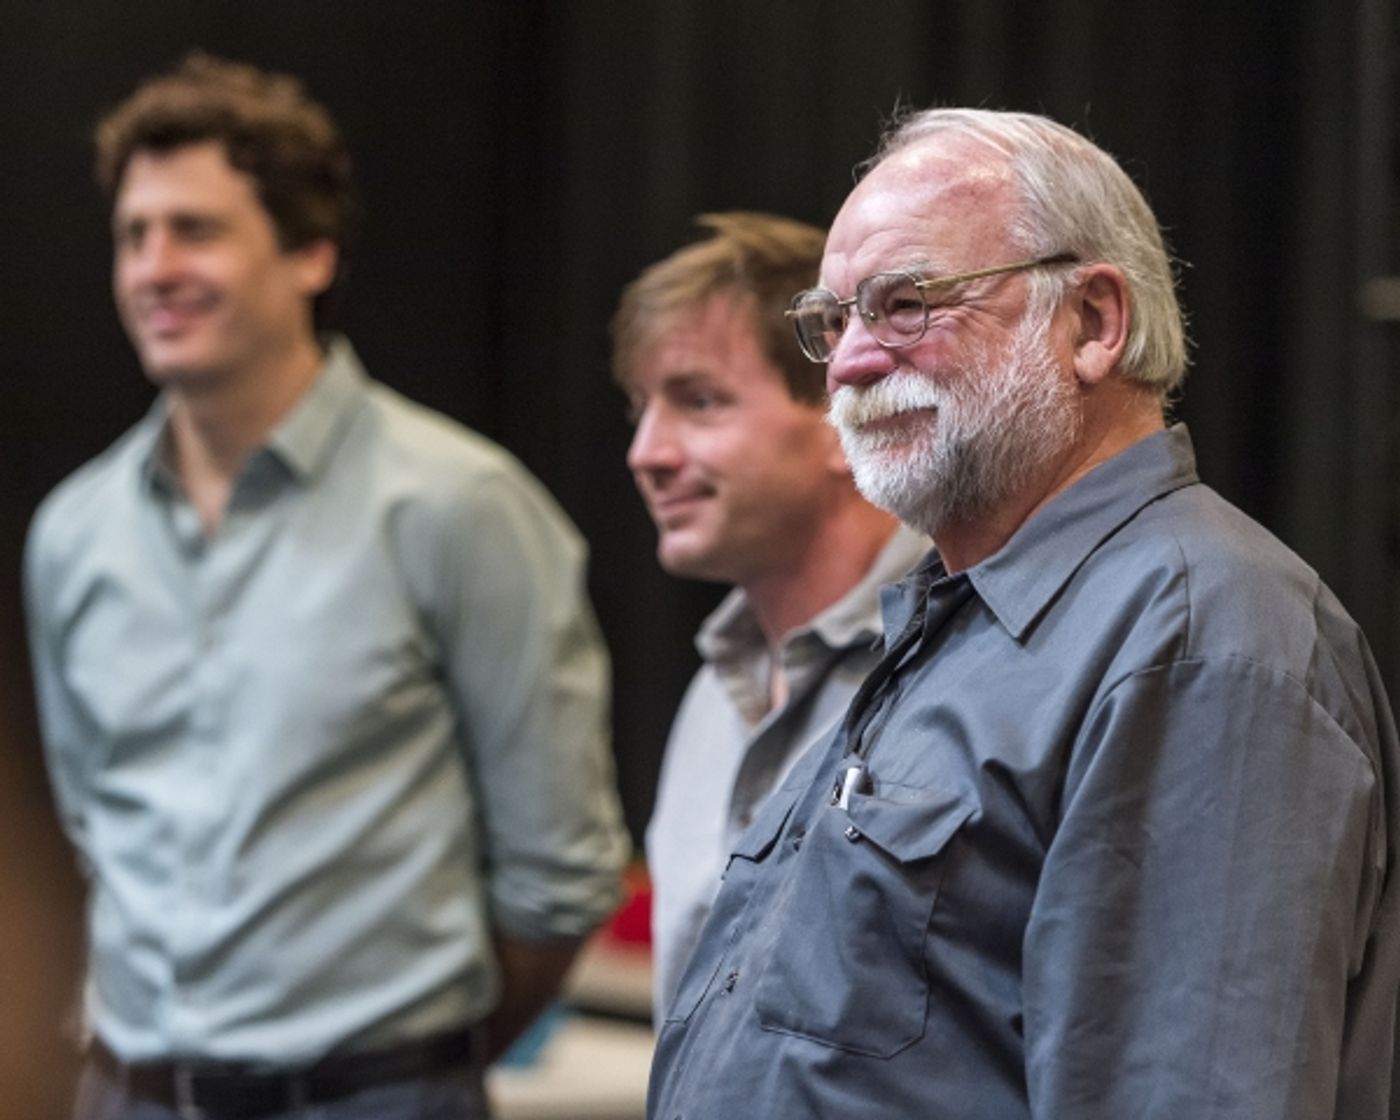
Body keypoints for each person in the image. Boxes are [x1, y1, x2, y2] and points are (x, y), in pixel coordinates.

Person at [647, 109, 1400, 1119]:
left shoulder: (1200, 638)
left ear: (1091, 322)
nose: (851, 362)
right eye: (833, 321)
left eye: (905, 302)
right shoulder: (958, 614)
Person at [24, 53, 628, 1120]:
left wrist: (409, 1069)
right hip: (125, 1095)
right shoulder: (74, 533)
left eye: (196, 230)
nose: (154, 267)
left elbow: (559, 873)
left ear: (309, 251)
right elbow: (91, 825)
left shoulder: (458, 504)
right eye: (133, 235)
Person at [612, 213, 926, 1024]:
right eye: (640, 408)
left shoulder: (961, 657)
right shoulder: (715, 694)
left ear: (840, 414)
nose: (647, 452)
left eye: (700, 402)